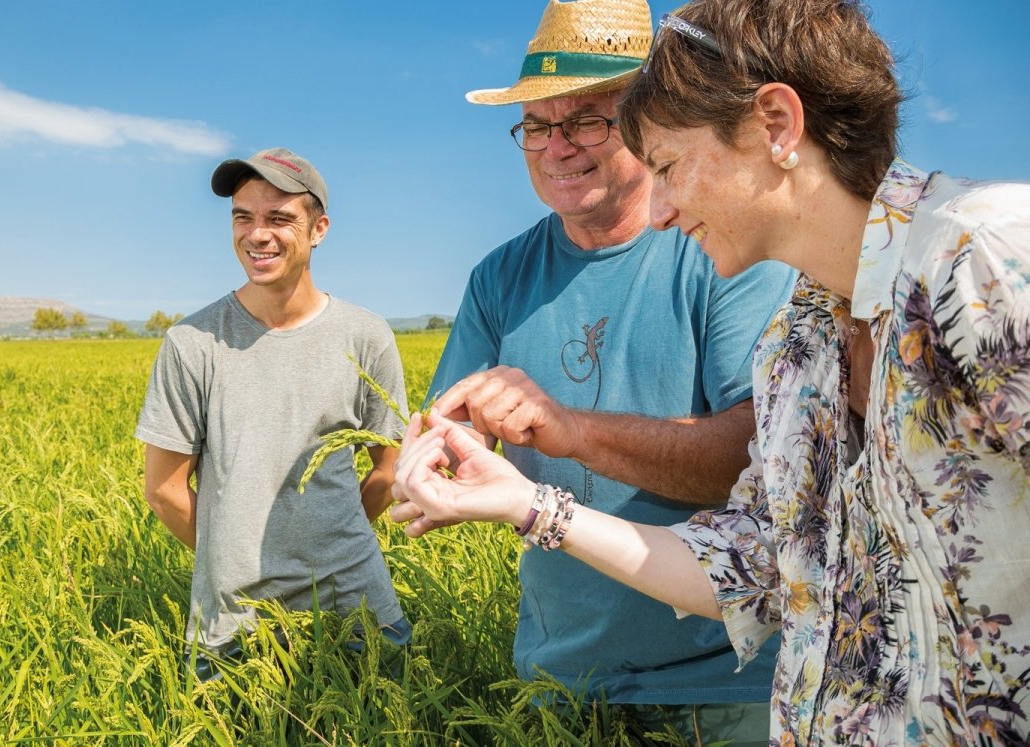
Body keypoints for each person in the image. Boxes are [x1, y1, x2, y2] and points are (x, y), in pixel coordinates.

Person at [394, 0, 1030, 743]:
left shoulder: (985, 261)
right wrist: (528, 503)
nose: (658, 210)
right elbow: (751, 562)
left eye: (666, 165)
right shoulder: (800, 339)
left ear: (776, 125)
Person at [395, 0, 795, 741]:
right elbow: (450, 422)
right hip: (559, 682)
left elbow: (758, 454)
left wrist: (572, 430)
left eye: (586, 120)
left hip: (725, 681)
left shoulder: (722, 248)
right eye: (538, 126)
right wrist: (443, 455)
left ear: (646, 120)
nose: (558, 147)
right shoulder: (499, 276)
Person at [135, 147, 411, 681]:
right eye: (243, 217)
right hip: (233, 623)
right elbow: (164, 490)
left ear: (319, 229)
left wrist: (330, 538)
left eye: (279, 218)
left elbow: (388, 470)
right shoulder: (192, 342)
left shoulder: (366, 335)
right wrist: (238, 559)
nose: (256, 235)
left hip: (356, 605)